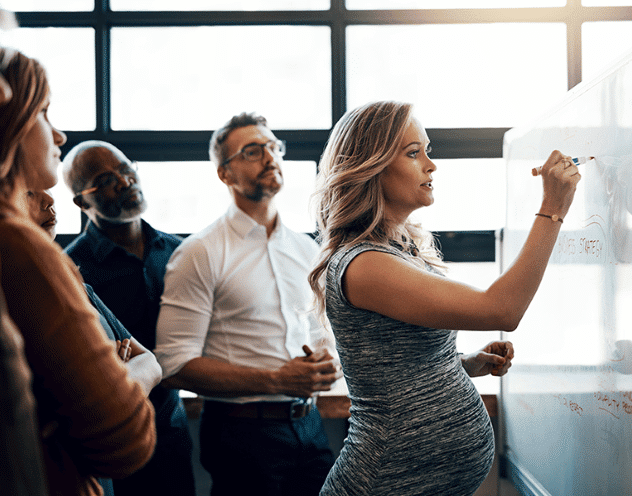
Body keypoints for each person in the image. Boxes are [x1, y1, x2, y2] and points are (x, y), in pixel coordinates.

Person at [307, 100, 580, 496]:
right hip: (384, 482)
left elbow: (391, 364)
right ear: (372, 167)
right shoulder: (364, 263)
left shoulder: (397, 249)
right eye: (413, 153)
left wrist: (462, 364)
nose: (431, 165)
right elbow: (502, 308)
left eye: (428, 150)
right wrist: (552, 209)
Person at [154, 112, 342, 496]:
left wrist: (327, 364)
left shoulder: (307, 249)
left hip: (310, 425)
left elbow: (321, 337)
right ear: (225, 173)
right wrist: (275, 380)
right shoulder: (200, 253)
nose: (270, 157)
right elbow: (173, 365)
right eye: (253, 151)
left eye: (274, 147)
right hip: (241, 434)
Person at [0, 47, 155, 496]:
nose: (60, 135)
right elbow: (125, 438)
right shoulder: (20, 247)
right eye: (44, 112)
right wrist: (145, 369)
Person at [61, 141, 196, 496]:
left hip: (171, 427)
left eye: (126, 168)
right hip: (111, 435)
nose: (124, 181)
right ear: (81, 201)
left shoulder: (178, 252)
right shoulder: (72, 270)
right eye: (106, 179)